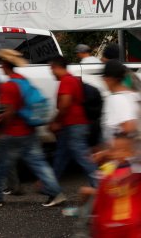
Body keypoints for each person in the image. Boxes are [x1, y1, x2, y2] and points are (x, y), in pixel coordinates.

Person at [0, 49, 66, 208]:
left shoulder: (9, 86)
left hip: (14, 133)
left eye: (1, 62)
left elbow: (10, 111)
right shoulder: (23, 80)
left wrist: (0, 131)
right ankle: (56, 193)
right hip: (29, 129)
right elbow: (18, 108)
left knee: (2, 166)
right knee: (39, 164)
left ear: (5, 64)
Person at [99, 60, 141, 236]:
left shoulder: (117, 99)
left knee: (127, 213)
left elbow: (128, 127)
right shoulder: (133, 94)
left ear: (109, 79)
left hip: (130, 164)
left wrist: (109, 153)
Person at [49, 56, 97, 187]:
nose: (51, 72)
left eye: (51, 68)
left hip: (74, 124)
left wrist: (56, 121)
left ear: (56, 67)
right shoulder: (72, 80)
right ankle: (50, 187)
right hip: (71, 124)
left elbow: (65, 105)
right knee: (60, 156)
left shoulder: (67, 81)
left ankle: (99, 186)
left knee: (83, 157)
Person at [91, 134, 140, 237]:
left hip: (123, 223)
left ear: (132, 153)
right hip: (114, 223)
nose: (118, 154)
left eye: (123, 150)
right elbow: (101, 198)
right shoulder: (109, 173)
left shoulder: (134, 174)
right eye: (115, 150)